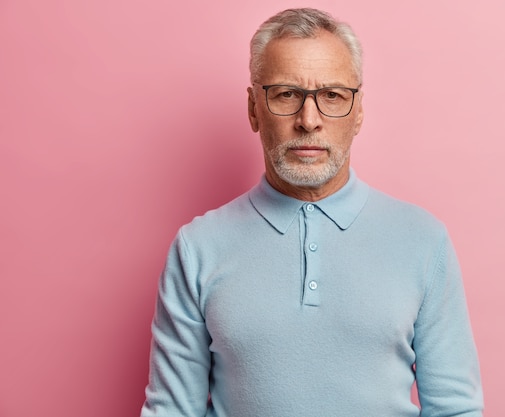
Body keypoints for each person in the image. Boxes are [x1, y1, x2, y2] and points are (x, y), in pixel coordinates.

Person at [140, 7, 483, 417]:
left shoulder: (424, 242)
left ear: (358, 112)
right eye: (286, 94)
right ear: (253, 108)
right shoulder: (197, 248)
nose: (309, 120)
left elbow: (455, 409)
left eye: (332, 96)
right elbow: (171, 412)